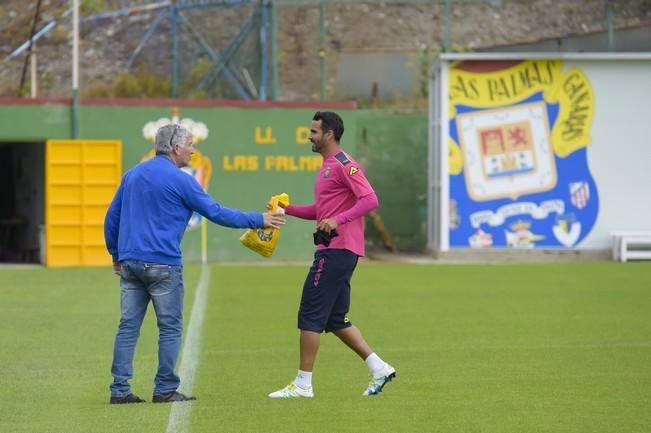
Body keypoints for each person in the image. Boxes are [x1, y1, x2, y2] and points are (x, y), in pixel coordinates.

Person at [105, 124, 285, 404]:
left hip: (130, 264)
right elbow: (215, 212)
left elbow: (111, 218)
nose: (193, 149)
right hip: (163, 265)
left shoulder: (131, 175)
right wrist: (258, 219)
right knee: (170, 328)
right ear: (176, 148)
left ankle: (119, 390)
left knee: (128, 327)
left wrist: (116, 255)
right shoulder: (182, 181)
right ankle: (164, 389)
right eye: (190, 144)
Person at [268, 111, 396, 398]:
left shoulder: (343, 164)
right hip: (334, 250)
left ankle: (303, 385)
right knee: (335, 319)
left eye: (314, 132)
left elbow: (370, 199)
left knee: (310, 314)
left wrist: (338, 220)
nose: (309, 136)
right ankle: (380, 368)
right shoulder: (327, 166)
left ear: (329, 134)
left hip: (336, 250)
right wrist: (285, 208)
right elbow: (320, 212)